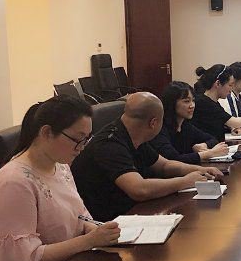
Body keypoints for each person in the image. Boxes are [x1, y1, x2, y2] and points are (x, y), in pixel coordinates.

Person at [0, 96, 120, 261]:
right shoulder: (15, 183)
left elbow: (80, 215)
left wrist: (97, 230)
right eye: (78, 139)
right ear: (46, 132)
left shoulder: (60, 165)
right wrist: (89, 241)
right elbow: (23, 260)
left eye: (87, 139)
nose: (82, 148)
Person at [71, 92, 224, 221]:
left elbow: (164, 165)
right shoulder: (109, 144)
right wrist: (185, 181)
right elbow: (139, 190)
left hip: (130, 212)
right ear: (153, 123)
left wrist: (199, 170)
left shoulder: (134, 134)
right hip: (107, 221)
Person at [150, 82, 230, 164]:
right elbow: (173, 160)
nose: (192, 106)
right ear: (172, 103)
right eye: (187, 101)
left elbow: (213, 139)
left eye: (193, 101)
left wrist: (203, 145)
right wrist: (209, 153)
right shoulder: (160, 128)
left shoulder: (185, 126)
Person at [192, 64, 241, 142]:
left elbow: (223, 121)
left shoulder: (214, 102)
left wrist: (231, 128)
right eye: (230, 85)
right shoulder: (205, 103)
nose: (231, 89)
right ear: (218, 84)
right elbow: (236, 122)